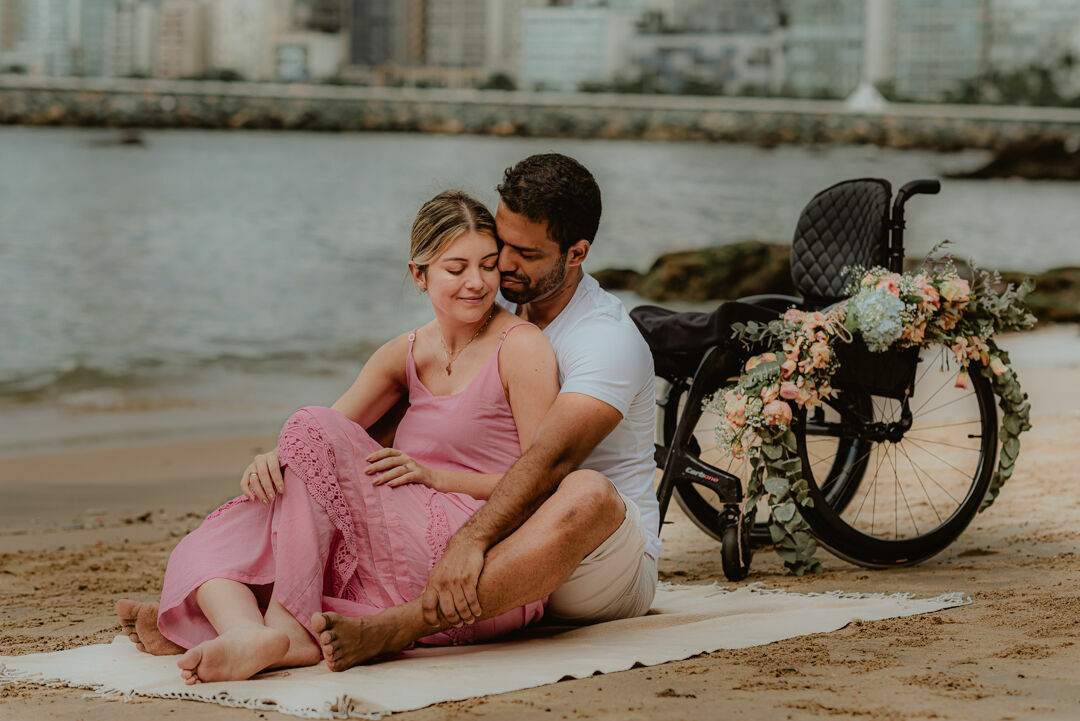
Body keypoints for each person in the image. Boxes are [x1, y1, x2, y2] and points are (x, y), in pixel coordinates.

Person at [116, 190, 560, 684]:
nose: (477, 283)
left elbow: (543, 483)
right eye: (456, 269)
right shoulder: (405, 352)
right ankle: (249, 633)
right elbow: (319, 443)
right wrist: (273, 458)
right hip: (399, 531)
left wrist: (438, 478)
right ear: (419, 274)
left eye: (489, 266)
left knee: (307, 426)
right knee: (225, 531)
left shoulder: (521, 347)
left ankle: (275, 623)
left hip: (478, 551)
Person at [312, 153, 661, 671]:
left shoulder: (604, 339)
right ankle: (241, 598)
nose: (504, 265)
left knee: (586, 491)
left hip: (596, 562)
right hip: (500, 529)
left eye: (526, 253)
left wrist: (469, 540)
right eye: (502, 245)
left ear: (576, 252)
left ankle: (400, 626)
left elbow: (551, 461)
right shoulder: (497, 312)